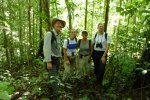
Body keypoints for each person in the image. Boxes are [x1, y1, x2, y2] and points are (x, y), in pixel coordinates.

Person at [43, 18, 66, 99]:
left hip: (57, 60)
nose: (59, 25)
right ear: (54, 24)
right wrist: (48, 61)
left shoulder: (58, 35)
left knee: (53, 77)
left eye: (61, 24)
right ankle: (56, 96)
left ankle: (51, 93)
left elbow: (57, 49)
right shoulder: (49, 34)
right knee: (54, 79)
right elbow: (46, 48)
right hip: (51, 60)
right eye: (58, 23)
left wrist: (60, 58)